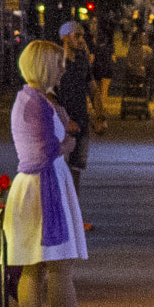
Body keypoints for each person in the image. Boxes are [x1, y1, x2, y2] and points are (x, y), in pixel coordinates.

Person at [8, 41, 101, 307]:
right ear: (45, 66)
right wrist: (69, 142)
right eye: (59, 63)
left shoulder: (28, 99)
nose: (63, 68)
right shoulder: (38, 104)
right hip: (45, 188)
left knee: (32, 269)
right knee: (60, 267)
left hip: (32, 188)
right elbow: (46, 151)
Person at [56, 21, 95, 197]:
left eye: (82, 36)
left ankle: (74, 210)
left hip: (81, 118)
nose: (80, 40)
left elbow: (92, 86)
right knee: (61, 165)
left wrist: (99, 115)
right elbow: (51, 93)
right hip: (62, 121)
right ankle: (63, 210)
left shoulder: (82, 60)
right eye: (76, 36)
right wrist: (64, 119)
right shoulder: (58, 62)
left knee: (77, 166)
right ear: (65, 38)